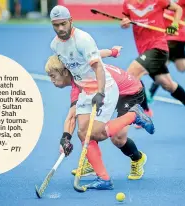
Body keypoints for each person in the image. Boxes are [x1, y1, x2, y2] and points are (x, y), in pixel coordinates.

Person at [49, 5, 154, 190]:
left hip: (126, 89)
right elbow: (73, 116)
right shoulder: (72, 69)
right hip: (95, 88)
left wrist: (101, 92)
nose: (60, 29)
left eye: (54, 77)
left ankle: (136, 139)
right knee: (85, 131)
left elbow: (96, 63)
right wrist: (65, 137)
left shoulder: (82, 42)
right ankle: (100, 172)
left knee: (116, 139)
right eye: (55, 25)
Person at [120, 0, 185, 130]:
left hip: (158, 48)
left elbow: (178, 9)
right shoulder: (128, 3)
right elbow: (125, 18)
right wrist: (125, 22)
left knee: (131, 75)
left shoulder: (157, 1)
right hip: (144, 49)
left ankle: (145, 111)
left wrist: (175, 24)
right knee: (167, 84)